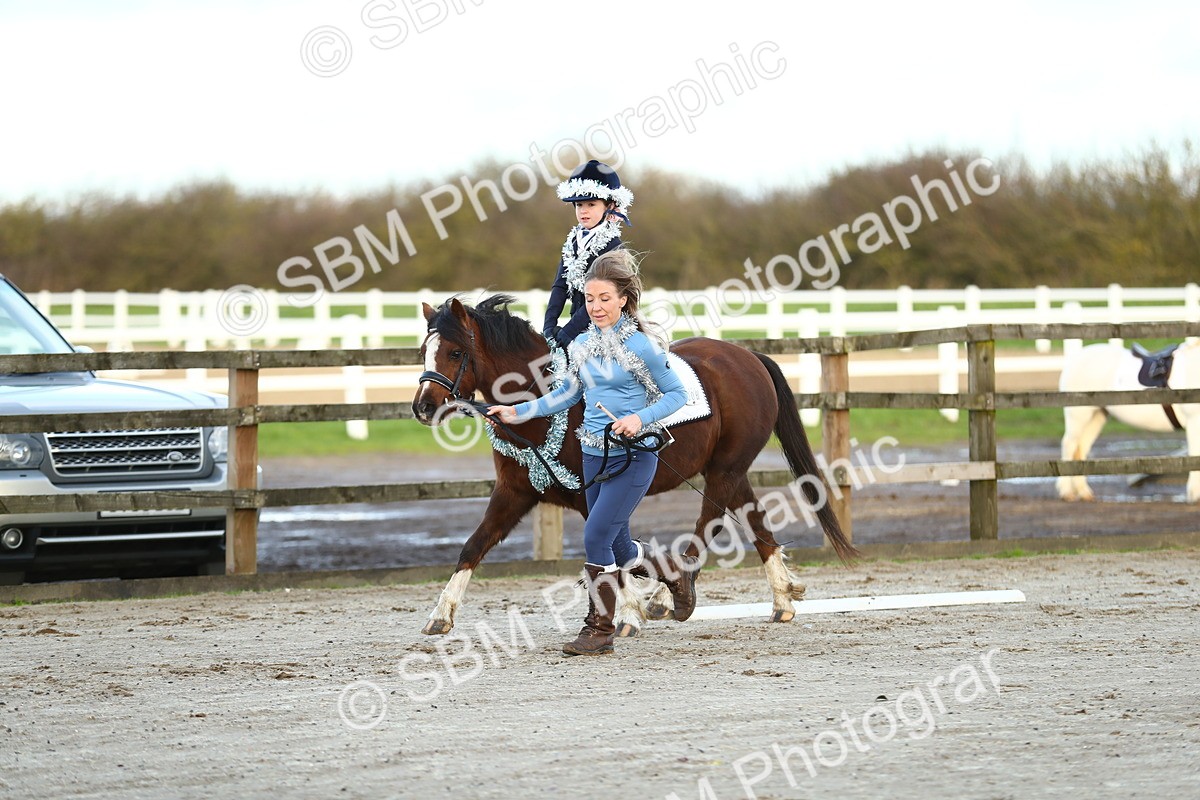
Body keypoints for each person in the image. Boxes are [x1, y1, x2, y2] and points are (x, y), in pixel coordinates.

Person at [489, 250, 699, 656]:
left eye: (604, 298)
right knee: (617, 547)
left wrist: (639, 418)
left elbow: (678, 394)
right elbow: (568, 393)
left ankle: (599, 630)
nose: (596, 307)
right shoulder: (583, 343)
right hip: (593, 454)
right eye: (589, 299)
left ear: (623, 299)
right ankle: (674, 569)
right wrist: (517, 411)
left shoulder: (643, 346)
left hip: (636, 455)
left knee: (595, 534)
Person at [542, 159, 633, 351]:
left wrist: (568, 332)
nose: (583, 211)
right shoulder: (572, 243)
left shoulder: (613, 249)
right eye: (578, 205)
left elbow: (600, 296)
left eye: (591, 204)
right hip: (576, 329)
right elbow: (560, 285)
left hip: (606, 327)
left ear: (609, 205)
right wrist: (549, 325)